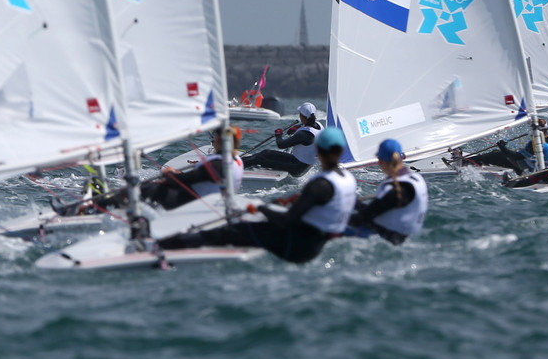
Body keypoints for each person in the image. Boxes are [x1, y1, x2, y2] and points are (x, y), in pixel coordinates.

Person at [159, 126, 357, 264]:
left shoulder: (320, 185)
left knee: (232, 230)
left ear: (318, 151)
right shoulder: (347, 180)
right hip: (316, 244)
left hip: (298, 249)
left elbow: (288, 220)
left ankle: (167, 245)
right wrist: (296, 199)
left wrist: (261, 207)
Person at [58, 126, 244, 216]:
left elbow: (189, 179)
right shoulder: (236, 161)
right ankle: (100, 205)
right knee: (146, 191)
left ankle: (90, 210)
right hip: (205, 203)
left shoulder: (221, 164)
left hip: (192, 204)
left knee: (146, 190)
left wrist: (170, 174)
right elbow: (195, 178)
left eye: (218, 139)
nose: (215, 141)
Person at [348, 138, 428, 244]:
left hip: (384, 239)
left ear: (380, 161)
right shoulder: (417, 180)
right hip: (407, 240)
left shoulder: (394, 190)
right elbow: (377, 211)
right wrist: (356, 204)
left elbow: (362, 219)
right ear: (402, 157)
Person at [240, 103, 322, 176]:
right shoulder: (318, 125)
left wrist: (279, 135)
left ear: (302, 116)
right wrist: (296, 128)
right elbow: (306, 126)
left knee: (260, 159)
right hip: (303, 164)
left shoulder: (304, 134)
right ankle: (241, 162)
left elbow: (281, 144)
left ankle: (235, 168)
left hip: (296, 168)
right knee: (266, 152)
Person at [459, 127, 548, 175]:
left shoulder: (536, 144)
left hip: (525, 169)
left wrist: (502, 147)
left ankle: (464, 162)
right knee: (496, 153)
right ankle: (472, 161)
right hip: (540, 165)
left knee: (493, 155)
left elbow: (516, 157)